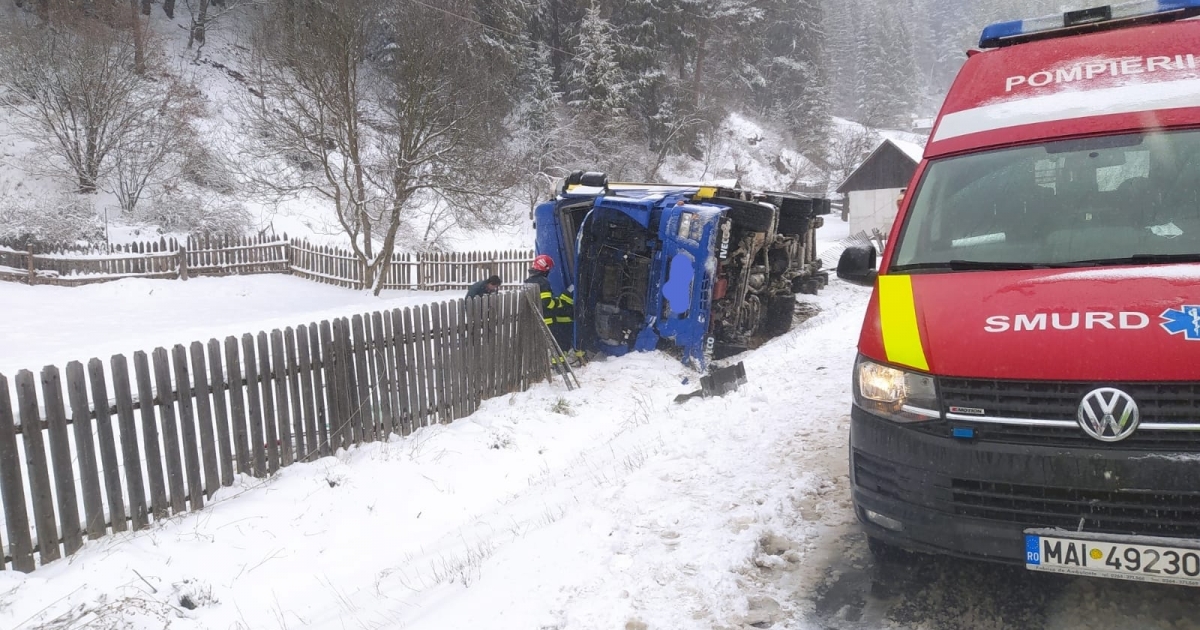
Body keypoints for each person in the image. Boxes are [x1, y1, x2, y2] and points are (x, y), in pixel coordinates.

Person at [524, 255, 577, 360]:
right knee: (558, 343)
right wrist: (559, 303)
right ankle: (559, 365)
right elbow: (547, 303)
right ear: (545, 268)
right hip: (547, 319)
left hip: (535, 318)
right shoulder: (543, 282)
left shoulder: (528, 281)